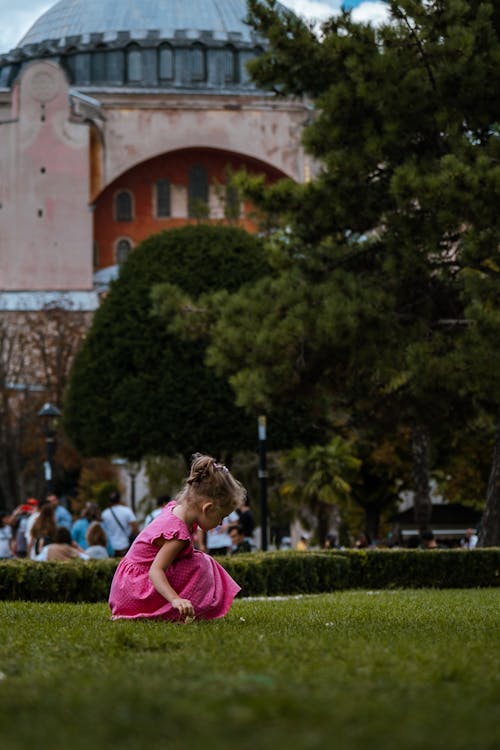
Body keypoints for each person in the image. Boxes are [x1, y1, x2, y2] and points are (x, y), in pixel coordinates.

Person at [109, 454, 246, 622]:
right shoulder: (177, 533)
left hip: (126, 587)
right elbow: (155, 571)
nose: (220, 523)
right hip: (134, 591)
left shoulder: (176, 510)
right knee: (200, 565)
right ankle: (189, 610)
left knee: (197, 560)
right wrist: (176, 599)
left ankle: (194, 609)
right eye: (221, 517)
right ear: (208, 508)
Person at [101, 490, 139, 557]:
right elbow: (135, 527)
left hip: (110, 547)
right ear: (119, 499)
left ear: (109, 501)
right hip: (125, 545)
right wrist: (129, 535)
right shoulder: (127, 511)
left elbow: (103, 530)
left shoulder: (104, 514)